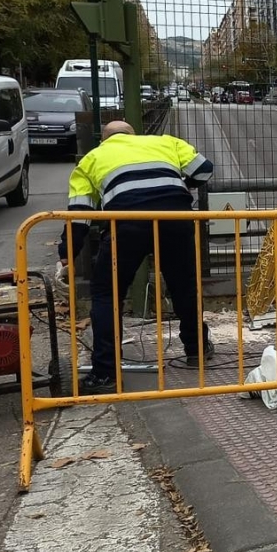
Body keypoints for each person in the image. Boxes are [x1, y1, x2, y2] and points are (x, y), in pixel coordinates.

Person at [60, 120, 215, 394]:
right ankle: (197, 350)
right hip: (175, 219)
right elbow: (204, 170)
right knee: (184, 287)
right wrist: (181, 185)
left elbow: (80, 214)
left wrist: (67, 254)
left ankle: (106, 373)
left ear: (104, 139)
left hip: (127, 223)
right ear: (134, 135)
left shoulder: (91, 158)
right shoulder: (166, 142)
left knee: (107, 294)